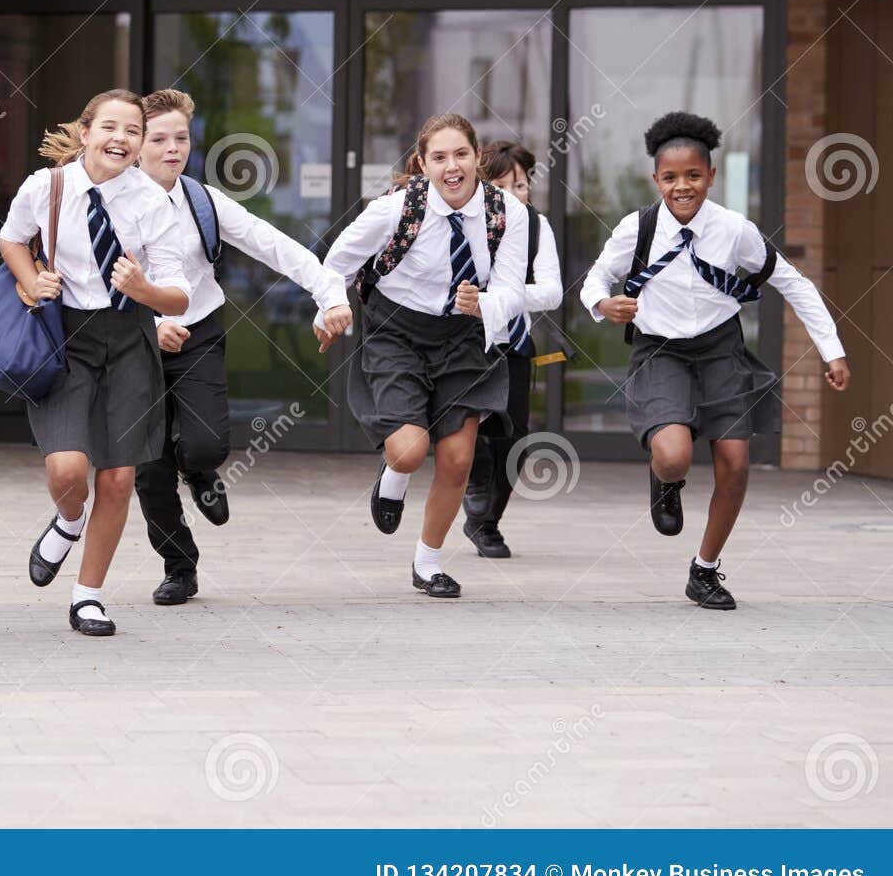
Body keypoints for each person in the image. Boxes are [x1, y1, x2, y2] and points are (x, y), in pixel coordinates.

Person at [580, 111, 849, 609]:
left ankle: (704, 571)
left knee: (736, 465)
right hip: (659, 350)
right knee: (675, 454)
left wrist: (831, 349)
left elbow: (792, 282)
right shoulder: (636, 228)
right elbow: (595, 279)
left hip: (720, 350)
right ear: (655, 179)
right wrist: (603, 304)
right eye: (670, 177)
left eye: (693, 176)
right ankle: (665, 479)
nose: (683, 186)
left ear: (711, 176)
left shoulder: (733, 230)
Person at [134, 88, 351, 605]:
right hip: (133, 343)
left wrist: (329, 294)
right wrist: (147, 324)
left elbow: (271, 243)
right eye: (159, 139)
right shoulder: (108, 203)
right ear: (136, 145)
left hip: (198, 333)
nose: (172, 149)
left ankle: (199, 467)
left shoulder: (203, 201)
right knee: (147, 467)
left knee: (206, 443)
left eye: (181, 138)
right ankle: (178, 567)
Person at [0, 89, 191, 635]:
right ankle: (67, 520)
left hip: (130, 338)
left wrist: (145, 288)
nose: (121, 139)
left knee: (118, 476)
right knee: (66, 470)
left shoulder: (152, 201)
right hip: (66, 336)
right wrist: (31, 279)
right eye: (110, 127)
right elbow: (12, 239)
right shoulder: (48, 186)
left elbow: (179, 296)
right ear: (85, 133)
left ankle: (88, 597)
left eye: (133, 131)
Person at [317, 113, 528, 598]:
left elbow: (513, 290)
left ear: (477, 157)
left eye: (460, 155)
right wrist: (329, 308)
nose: (451, 167)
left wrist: (486, 305)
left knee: (457, 458)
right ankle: (394, 475)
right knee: (410, 450)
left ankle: (428, 562)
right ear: (422, 163)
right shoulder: (395, 209)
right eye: (439, 157)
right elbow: (337, 263)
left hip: (465, 335)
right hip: (397, 330)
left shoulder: (508, 214)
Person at [460, 139, 562, 558]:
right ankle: (470, 490)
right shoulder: (463, 225)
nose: (515, 195)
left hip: (512, 346)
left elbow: (553, 292)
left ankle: (486, 524)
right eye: (503, 186)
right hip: (463, 343)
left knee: (513, 441)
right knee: (465, 434)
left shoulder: (537, 227)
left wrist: (500, 297)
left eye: (521, 185)